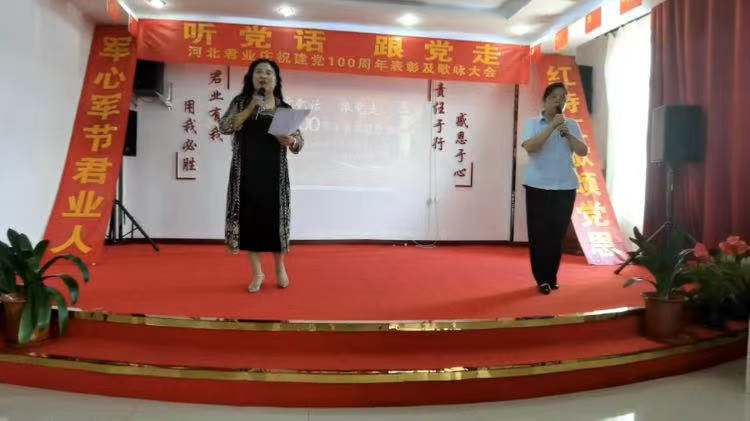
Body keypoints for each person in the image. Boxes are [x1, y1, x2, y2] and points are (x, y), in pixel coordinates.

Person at [219, 59, 304, 293]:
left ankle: (279, 267)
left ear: (276, 80)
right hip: (245, 172)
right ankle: (257, 273)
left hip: (274, 174)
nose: (263, 76)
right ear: (251, 77)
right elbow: (224, 127)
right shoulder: (241, 102)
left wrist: (290, 140)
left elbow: (299, 142)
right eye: (258, 72)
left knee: (275, 221)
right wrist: (249, 109)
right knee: (250, 221)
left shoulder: (283, 107)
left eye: (268, 72)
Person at [521, 82, 589, 295]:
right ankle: (541, 278)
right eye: (555, 97)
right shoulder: (532, 123)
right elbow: (531, 147)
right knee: (539, 235)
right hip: (538, 186)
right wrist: (551, 127)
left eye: (563, 98)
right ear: (545, 100)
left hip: (565, 186)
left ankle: (551, 276)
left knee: (557, 235)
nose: (559, 101)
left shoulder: (572, 125)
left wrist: (567, 134)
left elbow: (583, 151)